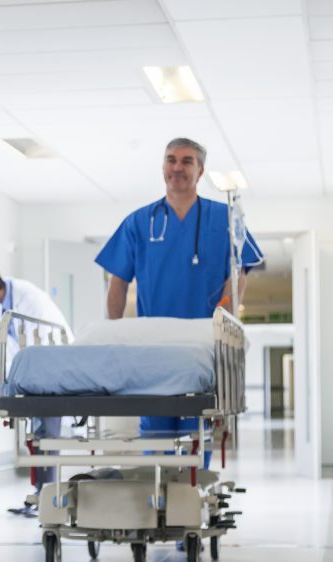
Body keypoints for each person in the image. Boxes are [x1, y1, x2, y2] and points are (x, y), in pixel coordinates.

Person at [95, 137, 263, 462]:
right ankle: (158, 503)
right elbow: (117, 283)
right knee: (156, 437)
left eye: (187, 161)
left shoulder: (225, 218)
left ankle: (192, 500)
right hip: (154, 348)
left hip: (202, 345)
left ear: (200, 171)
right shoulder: (139, 222)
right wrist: (113, 335)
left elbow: (241, 271)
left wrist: (225, 315)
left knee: (197, 433)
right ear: (162, 169)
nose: (177, 167)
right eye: (171, 160)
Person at [0, 268, 73, 516]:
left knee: (47, 437)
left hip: (51, 371)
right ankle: (39, 494)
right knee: (37, 437)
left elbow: (30, 347)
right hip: (36, 374)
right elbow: (2, 337)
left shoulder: (28, 301)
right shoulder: (5, 301)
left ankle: (48, 497)